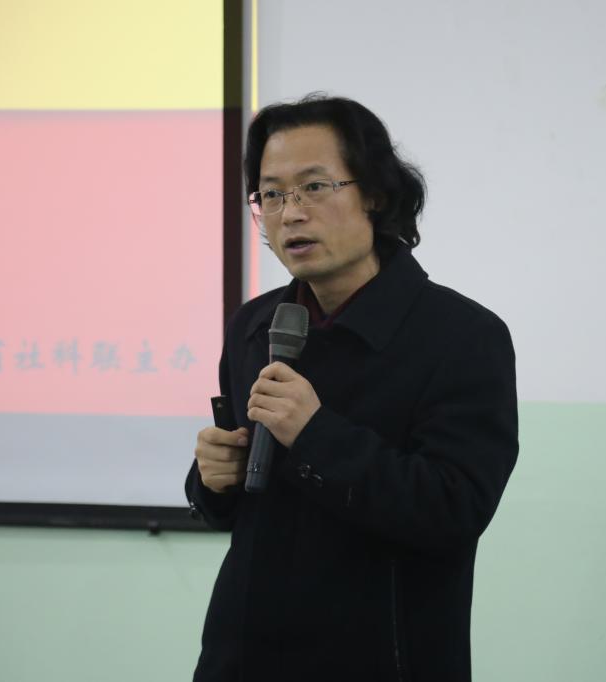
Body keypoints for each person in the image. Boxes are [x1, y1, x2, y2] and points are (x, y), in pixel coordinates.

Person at [186, 94, 518, 681]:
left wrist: (314, 435)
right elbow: (243, 506)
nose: (290, 214)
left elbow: (453, 511)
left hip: (382, 659)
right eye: (271, 194)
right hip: (242, 657)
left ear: (375, 195)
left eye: (314, 187)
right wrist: (212, 481)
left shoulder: (462, 336)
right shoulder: (254, 327)